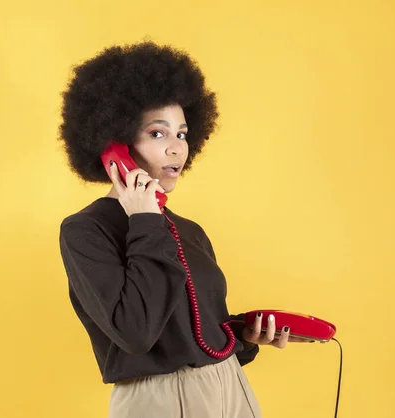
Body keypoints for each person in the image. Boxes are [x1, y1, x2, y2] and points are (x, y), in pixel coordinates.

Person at [57, 41, 293, 417]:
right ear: (113, 143)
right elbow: (136, 332)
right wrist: (144, 221)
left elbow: (196, 327)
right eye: (157, 133)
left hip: (230, 387)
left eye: (182, 134)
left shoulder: (190, 231)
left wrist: (243, 337)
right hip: (159, 401)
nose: (176, 149)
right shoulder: (86, 230)